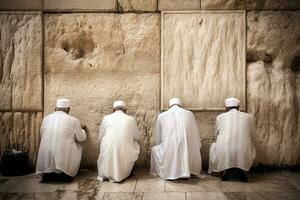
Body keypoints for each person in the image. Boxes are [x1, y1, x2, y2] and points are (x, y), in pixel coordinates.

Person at [36, 98, 86, 182]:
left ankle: (48, 171)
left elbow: (42, 135)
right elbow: (81, 138)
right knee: (80, 144)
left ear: (55, 108)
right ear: (68, 110)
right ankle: (67, 170)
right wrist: (83, 130)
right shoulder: (74, 120)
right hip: (63, 158)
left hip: (46, 158)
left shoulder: (46, 119)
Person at [150, 98, 202, 179]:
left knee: (155, 149)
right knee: (188, 147)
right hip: (189, 150)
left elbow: (159, 138)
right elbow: (195, 134)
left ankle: (173, 171)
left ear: (169, 106)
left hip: (170, 149)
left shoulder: (162, 116)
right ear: (180, 105)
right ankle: (189, 169)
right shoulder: (189, 114)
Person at [208, 97, 256, 182]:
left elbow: (216, 134)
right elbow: (253, 134)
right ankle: (239, 168)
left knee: (214, 145)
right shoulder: (249, 117)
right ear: (238, 107)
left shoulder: (220, 117)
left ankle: (227, 168)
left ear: (226, 108)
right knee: (249, 144)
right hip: (243, 151)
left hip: (224, 151)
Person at [97, 100, 140, 182]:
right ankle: (125, 171)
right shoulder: (130, 119)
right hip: (123, 149)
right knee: (135, 144)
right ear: (125, 110)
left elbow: (100, 136)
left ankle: (106, 172)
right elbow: (137, 137)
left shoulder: (106, 118)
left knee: (105, 142)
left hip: (107, 148)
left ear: (113, 110)